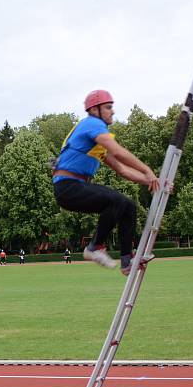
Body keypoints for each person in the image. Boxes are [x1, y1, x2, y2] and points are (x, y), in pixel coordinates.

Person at [52, 89, 159, 275]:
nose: (113, 111)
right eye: (108, 107)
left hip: (76, 186)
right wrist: (147, 170)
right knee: (116, 200)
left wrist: (154, 182)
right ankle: (94, 247)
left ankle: (127, 260)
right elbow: (118, 151)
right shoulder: (91, 124)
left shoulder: (97, 141)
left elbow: (122, 170)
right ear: (95, 110)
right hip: (67, 186)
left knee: (128, 205)